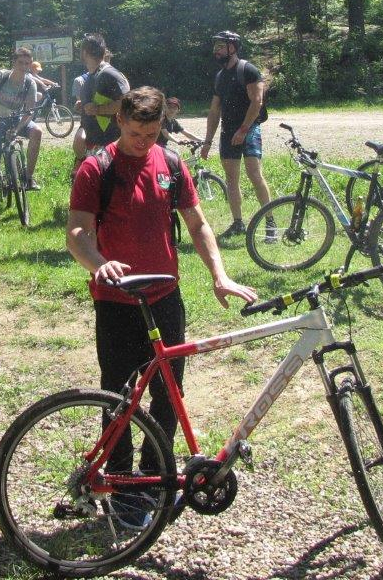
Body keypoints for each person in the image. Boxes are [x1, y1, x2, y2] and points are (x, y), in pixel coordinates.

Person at [67, 87, 257, 494]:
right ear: (119, 120)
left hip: (165, 298)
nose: (143, 141)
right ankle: (119, 482)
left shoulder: (170, 162)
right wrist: (100, 265)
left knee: (170, 394)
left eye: (151, 134)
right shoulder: (97, 168)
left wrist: (219, 275)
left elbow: (197, 224)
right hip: (117, 302)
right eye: (136, 133)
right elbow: (77, 233)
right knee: (118, 397)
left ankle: (155, 476)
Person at [201, 31, 273, 238]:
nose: (216, 50)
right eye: (215, 46)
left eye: (220, 46)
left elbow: (257, 102)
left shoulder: (248, 70)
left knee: (254, 174)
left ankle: (270, 223)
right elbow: (214, 111)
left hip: (249, 129)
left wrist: (243, 130)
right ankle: (238, 223)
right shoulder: (220, 76)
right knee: (231, 179)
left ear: (232, 48)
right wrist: (207, 141)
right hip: (228, 131)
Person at [0, 47, 44, 217]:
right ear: (13, 62)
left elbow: (29, 111)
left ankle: (28, 177)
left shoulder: (30, 83)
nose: (24, 67)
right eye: (21, 63)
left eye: (27, 63)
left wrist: (17, 129)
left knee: (37, 131)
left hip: (16, 120)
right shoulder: (1, 76)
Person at [75, 33, 129, 169]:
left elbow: (127, 103)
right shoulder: (93, 74)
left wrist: (98, 109)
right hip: (95, 143)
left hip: (109, 146)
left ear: (84, 52)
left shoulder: (109, 74)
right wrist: (84, 104)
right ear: (104, 51)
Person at [71, 67, 91, 162]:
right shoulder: (80, 80)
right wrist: (80, 107)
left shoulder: (115, 78)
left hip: (111, 125)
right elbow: (82, 108)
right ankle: (81, 160)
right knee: (79, 140)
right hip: (90, 122)